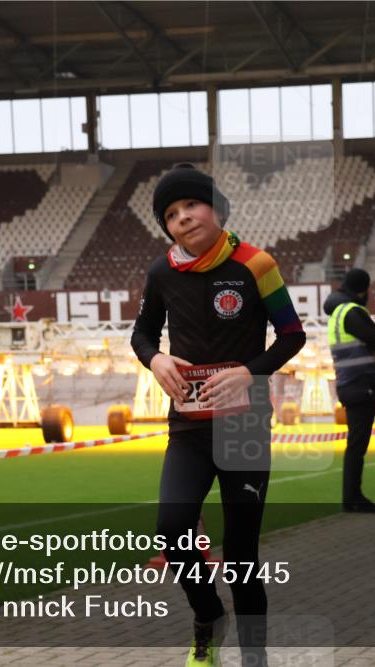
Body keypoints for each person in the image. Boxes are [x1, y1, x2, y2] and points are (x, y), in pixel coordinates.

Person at [132, 163, 306, 666]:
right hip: (187, 427)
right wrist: (157, 358)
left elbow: (292, 335)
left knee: (242, 555)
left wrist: (250, 373)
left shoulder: (256, 264)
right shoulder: (162, 271)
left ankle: (255, 657)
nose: (183, 218)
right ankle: (208, 617)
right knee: (171, 529)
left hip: (243, 426)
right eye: (171, 213)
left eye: (191, 205)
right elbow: (141, 334)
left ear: (216, 209)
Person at [323, 268, 375, 513]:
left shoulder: (338, 312)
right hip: (360, 384)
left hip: (349, 383)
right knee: (357, 445)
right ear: (363, 289)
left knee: (356, 443)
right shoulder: (351, 312)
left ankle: (352, 497)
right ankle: (353, 497)